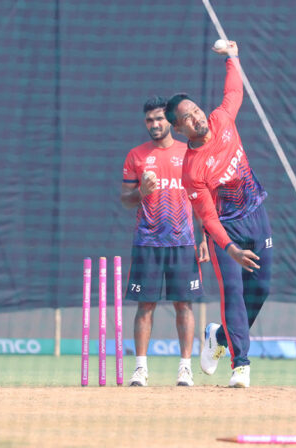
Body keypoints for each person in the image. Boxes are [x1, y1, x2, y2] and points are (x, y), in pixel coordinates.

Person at [165, 40, 273, 388]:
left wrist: (232, 56)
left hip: (256, 215)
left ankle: (219, 337)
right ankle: (241, 364)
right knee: (234, 292)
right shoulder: (191, 169)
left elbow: (234, 91)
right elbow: (208, 219)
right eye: (187, 118)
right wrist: (230, 248)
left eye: (196, 110)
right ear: (179, 129)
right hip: (226, 231)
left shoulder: (222, 119)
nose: (197, 118)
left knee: (262, 288)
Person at [121, 96, 209, 387]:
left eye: (159, 119)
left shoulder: (188, 152)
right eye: (149, 120)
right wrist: (141, 193)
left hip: (182, 242)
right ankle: (140, 369)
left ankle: (185, 369)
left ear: (170, 122)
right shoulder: (136, 155)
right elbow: (125, 199)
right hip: (147, 242)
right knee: (145, 306)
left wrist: (204, 237)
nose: (154, 124)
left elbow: (200, 199)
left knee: (184, 306)